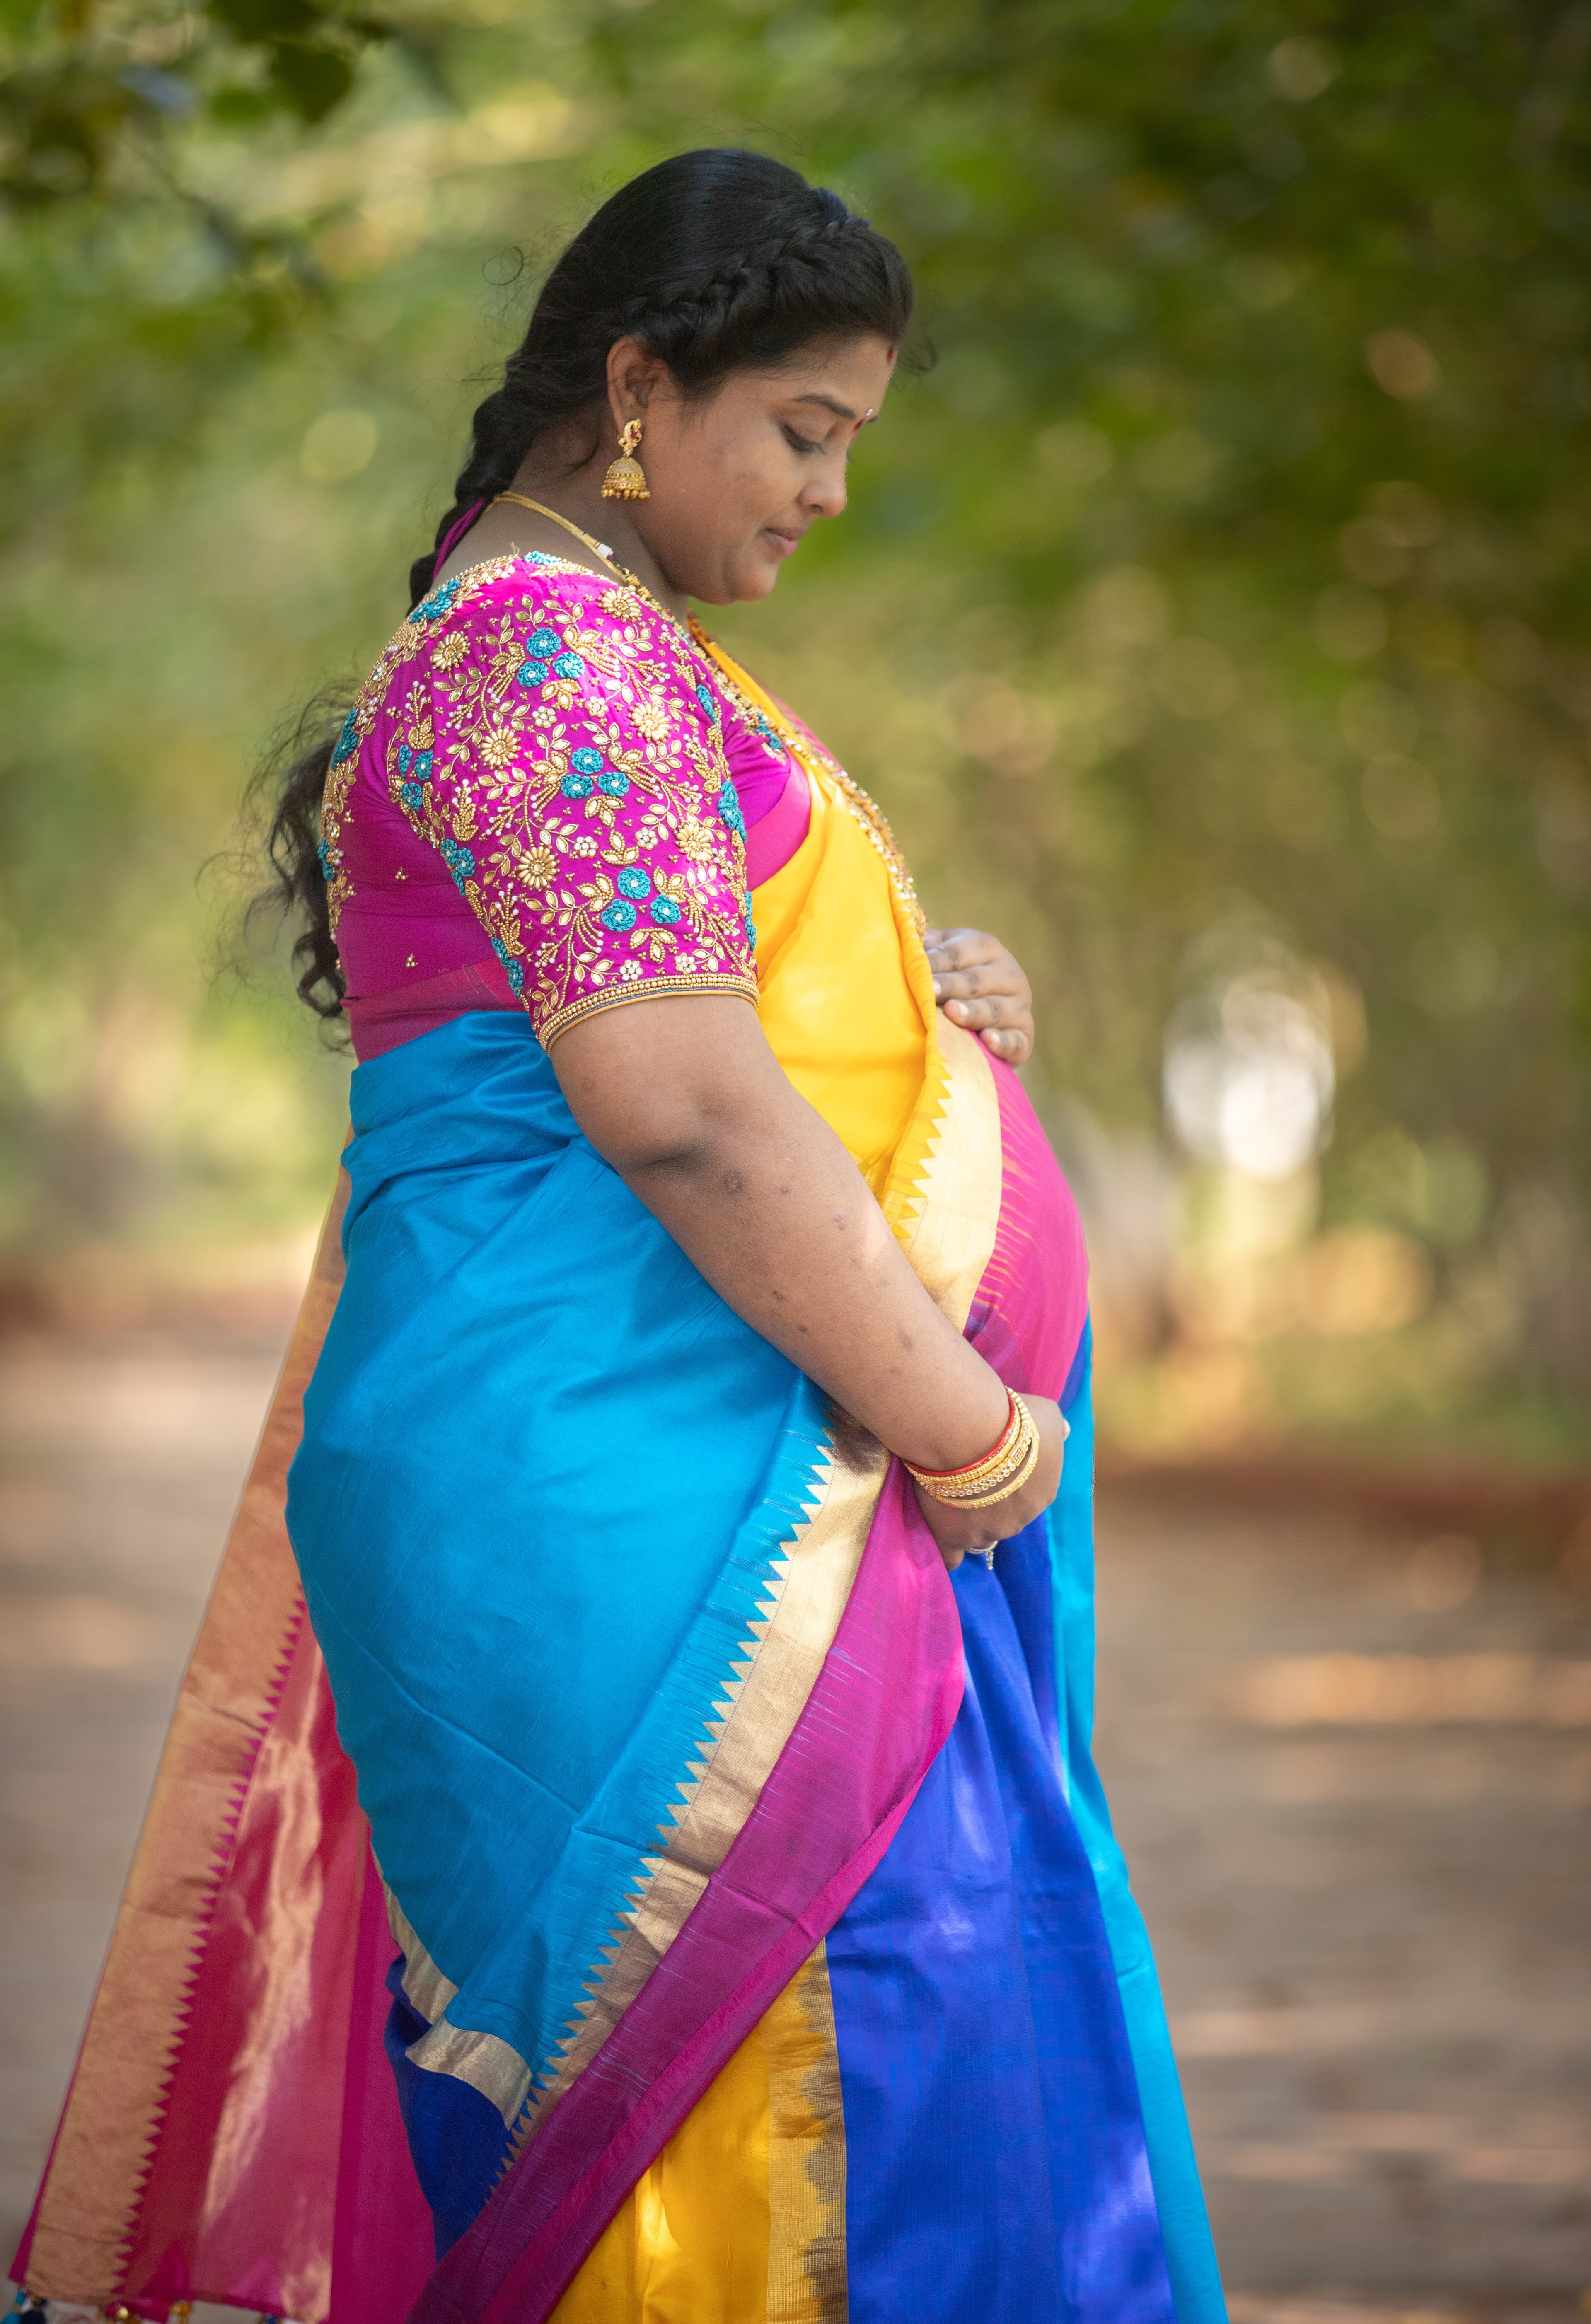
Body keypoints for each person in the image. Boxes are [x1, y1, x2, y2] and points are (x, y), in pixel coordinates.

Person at [13, 150, 1225, 2324]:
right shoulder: (553, 650)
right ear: (646, 386)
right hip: (654, 1517)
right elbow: (676, 1108)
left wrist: (925, 1018)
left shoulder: (579, 642)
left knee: (832, 2082)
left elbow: (699, 1021)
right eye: (808, 431)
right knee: (791, 2103)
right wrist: (967, 1427)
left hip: (659, 1481)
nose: (829, 496)